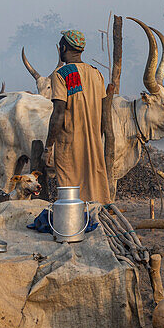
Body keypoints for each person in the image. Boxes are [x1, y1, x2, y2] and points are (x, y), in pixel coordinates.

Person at [44, 30, 112, 203]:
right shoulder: (96, 74)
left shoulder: (63, 74)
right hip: (94, 142)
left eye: (60, 47)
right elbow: (105, 113)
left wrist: (48, 146)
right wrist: (98, 138)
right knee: (94, 187)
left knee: (70, 192)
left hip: (70, 144)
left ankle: (74, 224)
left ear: (63, 48)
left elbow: (58, 113)